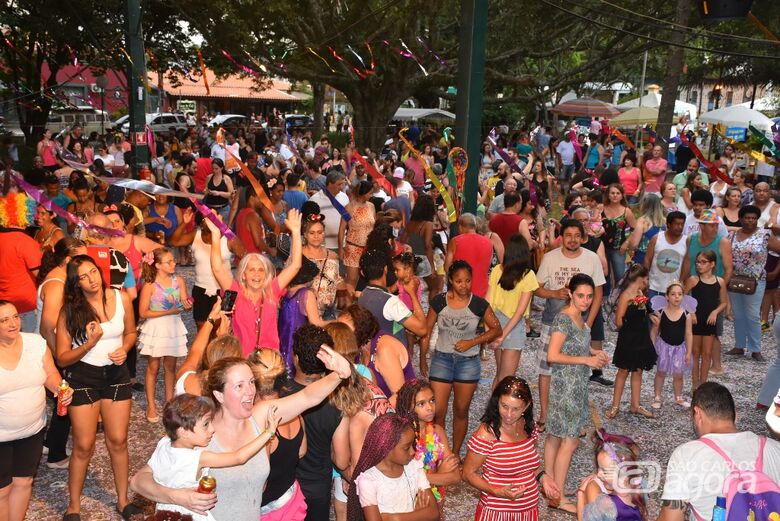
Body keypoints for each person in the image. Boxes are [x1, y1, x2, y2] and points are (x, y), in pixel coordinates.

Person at [130, 344, 352, 521]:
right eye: (239, 386)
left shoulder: (260, 416)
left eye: (252, 382)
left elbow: (307, 398)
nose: (250, 392)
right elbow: (139, 480)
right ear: (218, 395)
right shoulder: (200, 435)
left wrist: (338, 375)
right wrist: (178, 496)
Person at [55, 255, 139, 520]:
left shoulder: (121, 297)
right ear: (76, 283)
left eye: (93, 271)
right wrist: (89, 344)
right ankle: (74, 506)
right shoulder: (70, 311)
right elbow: (62, 357)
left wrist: (125, 350)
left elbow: (131, 332)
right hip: (83, 377)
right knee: (84, 445)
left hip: (116, 374)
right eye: (83, 276)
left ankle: (123, 501)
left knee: (118, 440)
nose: (92, 279)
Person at [659, 382, 780, 521]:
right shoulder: (775, 448)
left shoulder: (686, 455)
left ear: (698, 413)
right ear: (735, 417)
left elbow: (671, 518)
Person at [148, 394, 280, 521]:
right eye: (206, 424)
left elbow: (151, 471)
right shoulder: (197, 458)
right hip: (189, 515)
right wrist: (268, 432)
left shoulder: (163, 444)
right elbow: (238, 458)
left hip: (163, 511)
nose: (212, 429)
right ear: (183, 432)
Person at [0, 300, 73, 521]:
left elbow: (50, 374)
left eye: (15, 317)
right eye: (4, 320)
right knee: (2, 491)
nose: (13, 323)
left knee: (24, 482)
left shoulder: (36, 343)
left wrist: (61, 389)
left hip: (32, 430)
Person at [544, 274, 609, 515]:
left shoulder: (580, 319)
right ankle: (558, 496)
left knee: (555, 437)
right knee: (569, 441)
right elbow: (552, 355)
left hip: (574, 386)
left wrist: (594, 353)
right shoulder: (564, 319)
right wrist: (587, 359)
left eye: (589, 296)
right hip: (567, 388)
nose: (585, 300)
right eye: (580, 295)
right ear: (570, 293)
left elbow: (576, 345)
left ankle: (551, 488)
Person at [422, 260, 502, 456]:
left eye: (468, 281)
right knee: (437, 412)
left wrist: (472, 342)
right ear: (450, 280)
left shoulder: (478, 304)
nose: (464, 285)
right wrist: (422, 358)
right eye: (459, 281)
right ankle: (440, 454)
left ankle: (455, 453)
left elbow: (496, 329)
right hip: (442, 359)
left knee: (460, 410)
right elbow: (426, 329)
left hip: (468, 363)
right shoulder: (439, 302)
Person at [534, 220, 607, 431]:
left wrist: (588, 324)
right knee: (547, 369)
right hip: (551, 321)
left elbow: (599, 293)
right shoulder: (550, 258)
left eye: (577, 235)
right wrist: (553, 293)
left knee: (578, 371)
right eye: (568, 235)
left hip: (579, 324)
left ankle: (574, 416)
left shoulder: (591, 259)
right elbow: (536, 289)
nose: (573, 239)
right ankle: (545, 415)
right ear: (561, 236)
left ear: (583, 237)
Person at [205, 208, 302, 355]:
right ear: (243, 275)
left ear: (266, 274)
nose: (257, 274)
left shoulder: (272, 290)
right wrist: (215, 235)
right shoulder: (235, 291)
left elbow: (295, 266)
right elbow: (217, 269)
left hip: (268, 361)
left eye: (261, 270)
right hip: (241, 359)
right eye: (252, 270)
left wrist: (295, 232)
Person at [463, 376, 559, 521]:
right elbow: (468, 474)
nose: (508, 414)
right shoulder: (487, 433)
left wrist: (544, 478)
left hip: (528, 510)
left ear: (526, 406)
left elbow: (527, 465)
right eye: (504, 406)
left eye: (515, 409)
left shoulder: (528, 426)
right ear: (497, 402)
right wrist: (496, 491)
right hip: (497, 513)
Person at [346, 413, 439, 521]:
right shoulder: (368, 480)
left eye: (412, 445)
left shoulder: (414, 466)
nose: (413, 451)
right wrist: (418, 515)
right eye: (406, 448)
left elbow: (434, 512)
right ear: (387, 448)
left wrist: (394, 518)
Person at [138, 248, 191, 422]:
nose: (173, 263)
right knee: (153, 367)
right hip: (156, 328)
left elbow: (183, 301)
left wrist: (187, 303)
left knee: (170, 367)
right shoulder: (150, 285)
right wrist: (170, 311)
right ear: (158, 265)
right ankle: (151, 405)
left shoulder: (179, 281)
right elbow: (143, 313)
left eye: (173, 260)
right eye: (169, 262)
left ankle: (170, 403)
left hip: (173, 327)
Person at [169, 209, 243, 330]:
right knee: (202, 329)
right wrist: (184, 223)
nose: (211, 220)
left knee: (222, 330)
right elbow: (173, 242)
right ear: (201, 222)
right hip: (201, 289)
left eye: (213, 216)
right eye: (207, 217)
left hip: (226, 291)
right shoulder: (195, 235)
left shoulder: (228, 237)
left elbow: (245, 256)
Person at [725, 204, 780, 362]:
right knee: (738, 313)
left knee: (753, 314)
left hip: (756, 280)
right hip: (735, 280)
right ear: (741, 219)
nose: (750, 221)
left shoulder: (765, 235)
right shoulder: (732, 236)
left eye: (754, 218)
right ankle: (739, 345)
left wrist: (776, 271)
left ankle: (755, 348)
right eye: (747, 218)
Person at [395, 380, 460, 507]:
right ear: (408, 406)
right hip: (410, 503)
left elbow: (456, 476)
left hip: (435, 499)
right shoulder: (403, 437)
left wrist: (423, 478)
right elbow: (402, 479)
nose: (430, 407)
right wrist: (440, 475)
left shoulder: (438, 432)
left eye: (432, 400)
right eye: (421, 404)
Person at [605, 264, 657, 419]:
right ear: (640, 279)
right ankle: (615, 406)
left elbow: (647, 312)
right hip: (628, 338)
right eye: (646, 278)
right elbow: (619, 320)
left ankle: (635, 404)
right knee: (623, 371)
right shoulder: (626, 295)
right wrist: (632, 316)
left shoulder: (641, 293)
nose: (648, 281)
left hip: (641, 337)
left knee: (638, 370)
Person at [486, 235, 538, 387]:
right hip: (513, 328)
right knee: (506, 379)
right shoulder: (528, 275)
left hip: (496, 322)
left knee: (499, 375)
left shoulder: (497, 270)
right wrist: (502, 335)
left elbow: (487, 301)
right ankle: (496, 410)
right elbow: (519, 313)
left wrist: (491, 330)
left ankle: (492, 409)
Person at [340, 303, 415, 405]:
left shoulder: (385, 349)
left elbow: (400, 396)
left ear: (361, 328)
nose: (340, 334)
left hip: (396, 413)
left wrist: (372, 418)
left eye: (344, 330)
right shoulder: (359, 347)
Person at [356, 249, 427, 350]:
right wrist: (412, 294)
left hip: (372, 352)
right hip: (391, 356)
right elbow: (422, 330)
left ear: (362, 273)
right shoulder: (391, 302)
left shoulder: (363, 295)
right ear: (385, 269)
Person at [576, 430, 647, 520]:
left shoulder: (607, 503)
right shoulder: (640, 486)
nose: (598, 474)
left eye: (605, 471)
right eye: (599, 467)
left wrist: (580, 494)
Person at [685, 250, 728, 390]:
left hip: (710, 321)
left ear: (712, 264)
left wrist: (715, 312)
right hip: (696, 321)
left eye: (703, 262)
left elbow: (724, 302)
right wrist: (691, 312)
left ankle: (703, 384)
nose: (699, 265)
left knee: (707, 353)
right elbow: (682, 297)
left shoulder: (719, 281)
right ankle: (695, 384)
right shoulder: (693, 280)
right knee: (695, 353)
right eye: (697, 262)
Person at [0, 194, 42, 333]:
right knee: (27, 348)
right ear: (27, 214)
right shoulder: (26, 242)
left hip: (3, 307)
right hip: (24, 307)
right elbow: (39, 275)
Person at [650, 280, 694, 410]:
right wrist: (652, 347)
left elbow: (689, 334)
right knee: (661, 372)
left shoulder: (686, 315)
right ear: (667, 296)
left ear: (683, 296)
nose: (677, 297)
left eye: (680, 294)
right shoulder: (661, 312)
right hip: (663, 347)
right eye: (673, 294)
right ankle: (657, 396)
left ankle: (678, 397)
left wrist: (688, 352)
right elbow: (654, 331)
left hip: (679, 349)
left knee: (678, 374)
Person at [302, 213, 342, 320]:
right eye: (312, 233)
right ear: (305, 234)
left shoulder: (333, 256)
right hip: (306, 310)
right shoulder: (298, 256)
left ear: (324, 234)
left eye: (320, 232)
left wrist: (348, 286)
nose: (316, 236)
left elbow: (336, 280)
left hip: (329, 310)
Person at [445, 213, 494, 299]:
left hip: (460, 292)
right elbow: (488, 266)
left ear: (460, 226)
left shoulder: (455, 241)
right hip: (482, 292)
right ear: (475, 226)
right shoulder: (488, 242)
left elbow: (447, 267)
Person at [339, 180, 376, 294]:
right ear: (363, 193)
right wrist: (341, 247)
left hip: (367, 248)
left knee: (365, 279)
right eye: (370, 193)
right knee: (351, 280)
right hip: (353, 248)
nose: (371, 195)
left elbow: (373, 227)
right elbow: (341, 230)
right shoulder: (349, 207)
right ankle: (347, 305)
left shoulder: (371, 206)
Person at [601, 183, 636, 293]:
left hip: (618, 248)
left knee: (620, 275)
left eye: (618, 193)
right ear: (608, 195)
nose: (615, 195)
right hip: (601, 248)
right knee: (602, 274)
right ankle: (604, 298)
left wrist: (626, 243)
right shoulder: (601, 209)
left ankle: (619, 298)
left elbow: (635, 229)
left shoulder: (626, 211)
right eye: (612, 193)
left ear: (622, 195)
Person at [309, 170, 349, 252]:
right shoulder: (314, 199)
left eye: (342, 184)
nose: (341, 187)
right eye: (339, 184)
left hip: (342, 245)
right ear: (330, 184)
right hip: (323, 246)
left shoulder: (344, 197)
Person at [624, 194, 665, 266]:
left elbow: (634, 244)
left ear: (645, 205)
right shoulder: (665, 222)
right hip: (660, 259)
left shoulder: (643, 221)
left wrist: (628, 244)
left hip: (643, 258)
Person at [203, 158, 234, 223]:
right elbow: (205, 190)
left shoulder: (226, 178)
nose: (214, 171)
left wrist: (219, 193)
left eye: (216, 169)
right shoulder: (209, 177)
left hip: (223, 209)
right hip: (210, 208)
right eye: (213, 168)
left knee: (222, 230)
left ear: (221, 168)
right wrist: (206, 191)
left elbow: (231, 195)